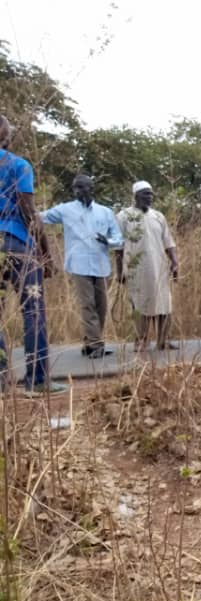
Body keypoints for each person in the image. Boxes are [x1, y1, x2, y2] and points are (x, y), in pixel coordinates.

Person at [0, 114, 65, 394]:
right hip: (17, 246)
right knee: (33, 311)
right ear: (5, 134)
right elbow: (29, 212)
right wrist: (46, 254)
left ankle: (2, 381)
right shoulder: (18, 165)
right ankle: (37, 379)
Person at [40, 174, 123, 359]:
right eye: (75, 188)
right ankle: (96, 345)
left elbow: (118, 239)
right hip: (78, 263)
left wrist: (107, 240)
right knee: (87, 304)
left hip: (100, 263)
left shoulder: (105, 212)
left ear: (90, 188)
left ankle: (90, 342)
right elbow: (40, 217)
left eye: (81, 187)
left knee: (101, 306)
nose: (77, 191)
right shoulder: (66, 209)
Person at [115, 181, 180, 351]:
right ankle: (141, 341)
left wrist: (174, 262)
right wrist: (120, 270)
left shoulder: (158, 216)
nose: (149, 197)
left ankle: (163, 341)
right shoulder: (124, 216)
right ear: (136, 196)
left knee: (164, 304)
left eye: (151, 194)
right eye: (145, 194)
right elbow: (118, 247)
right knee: (140, 304)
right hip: (137, 269)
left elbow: (169, 242)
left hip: (160, 267)